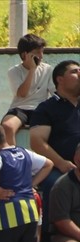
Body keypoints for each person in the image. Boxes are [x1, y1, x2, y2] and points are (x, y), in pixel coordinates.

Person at [28, 60, 80, 214]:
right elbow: (37, 142)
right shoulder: (47, 108)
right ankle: (52, 234)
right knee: (56, 185)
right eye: (75, 71)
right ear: (60, 79)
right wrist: (61, 163)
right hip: (59, 168)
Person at [3, 34, 50, 147]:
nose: (41, 56)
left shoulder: (48, 69)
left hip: (40, 109)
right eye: (37, 52)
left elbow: (55, 93)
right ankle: (13, 158)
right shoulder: (14, 71)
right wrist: (32, 70)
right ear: (25, 54)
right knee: (7, 126)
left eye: (42, 51)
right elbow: (22, 94)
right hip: (20, 109)